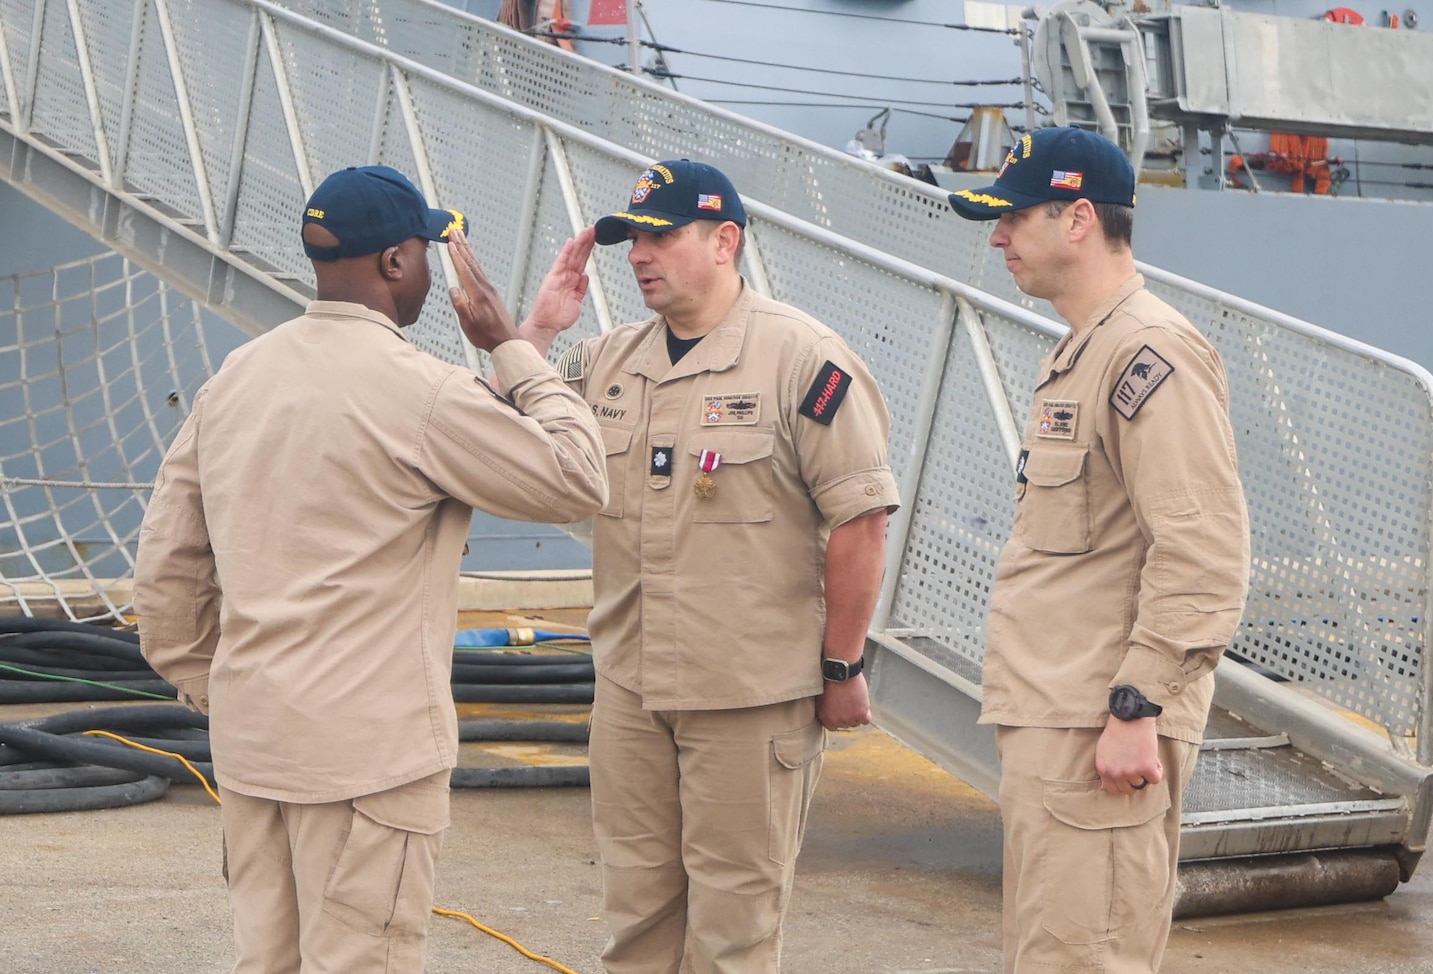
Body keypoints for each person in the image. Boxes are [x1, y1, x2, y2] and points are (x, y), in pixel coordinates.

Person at [132, 164, 608, 973]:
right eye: (423, 249)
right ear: (395, 264)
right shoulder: (423, 391)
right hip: (366, 765)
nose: (427, 267)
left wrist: (227, 690)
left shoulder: (236, 378)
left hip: (255, 750)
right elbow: (578, 477)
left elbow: (167, 572)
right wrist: (513, 349)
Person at [520, 159, 900, 973]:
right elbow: (497, 446)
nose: (638, 254)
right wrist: (540, 333)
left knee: (734, 934)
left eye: (663, 236)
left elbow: (861, 520)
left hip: (749, 696)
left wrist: (843, 666)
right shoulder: (606, 363)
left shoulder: (803, 360)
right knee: (636, 922)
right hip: (631, 690)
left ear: (725, 241)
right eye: (632, 239)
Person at [947, 128, 1250, 973]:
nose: (998, 237)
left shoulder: (1148, 352)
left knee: (1087, 958)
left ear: (1078, 218)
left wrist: (1137, 706)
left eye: (1012, 218)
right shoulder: (1086, 350)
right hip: (1061, 723)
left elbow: (1204, 550)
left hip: (1100, 727)